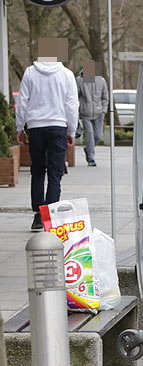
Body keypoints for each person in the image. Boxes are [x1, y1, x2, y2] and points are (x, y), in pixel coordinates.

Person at [16, 37, 78, 231]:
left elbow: (22, 103)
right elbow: (72, 105)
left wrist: (20, 127)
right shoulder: (67, 75)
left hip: (35, 127)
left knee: (37, 171)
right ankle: (50, 216)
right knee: (55, 172)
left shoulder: (29, 73)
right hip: (58, 126)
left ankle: (37, 216)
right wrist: (72, 130)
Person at [76, 60, 108, 167]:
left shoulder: (101, 80)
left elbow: (105, 97)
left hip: (99, 113)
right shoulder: (79, 81)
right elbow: (75, 96)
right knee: (89, 136)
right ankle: (91, 158)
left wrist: (104, 111)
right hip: (85, 113)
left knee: (98, 136)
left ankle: (88, 149)